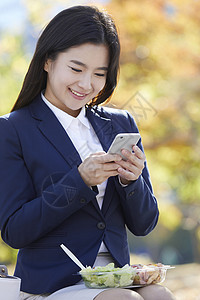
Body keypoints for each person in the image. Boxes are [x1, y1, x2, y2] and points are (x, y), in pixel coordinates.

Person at [0, 5, 176, 300]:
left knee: (160, 295)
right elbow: (14, 231)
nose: (86, 84)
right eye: (76, 69)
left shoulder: (121, 123)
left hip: (118, 275)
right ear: (47, 61)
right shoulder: (13, 129)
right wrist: (79, 180)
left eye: (99, 74)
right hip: (51, 283)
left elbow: (145, 224)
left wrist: (131, 182)